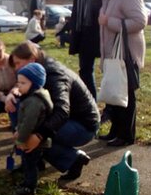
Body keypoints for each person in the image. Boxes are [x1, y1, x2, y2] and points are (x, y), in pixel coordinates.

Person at [7, 41, 99, 182]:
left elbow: (62, 111)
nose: (16, 69)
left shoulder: (55, 76)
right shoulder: (36, 71)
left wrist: (38, 136)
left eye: (18, 63)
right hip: (66, 119)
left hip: (82, 126)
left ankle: (73, 160)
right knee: (18, 106)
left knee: (34, 129)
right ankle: (33, 160)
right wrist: (13, 92)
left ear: (31, 59)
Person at [91, 0, 146, 147]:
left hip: (127, 54)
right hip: (113, 54)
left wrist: (110, 22)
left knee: (126, 95)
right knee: (115, 94)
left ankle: (126, 135)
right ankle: (116, 132)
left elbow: (140, 21)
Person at [13, 63, 53, 195]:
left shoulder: (33, 102)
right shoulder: (31, 98)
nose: (19, 85)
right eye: (18, 82)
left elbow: (28, 123)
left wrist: (20, 139)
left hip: (31, 138)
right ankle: (36, 171)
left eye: (23, 83)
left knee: (29, 162)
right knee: (34, 160)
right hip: (33, 137)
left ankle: (29, 187)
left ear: (35, 84)